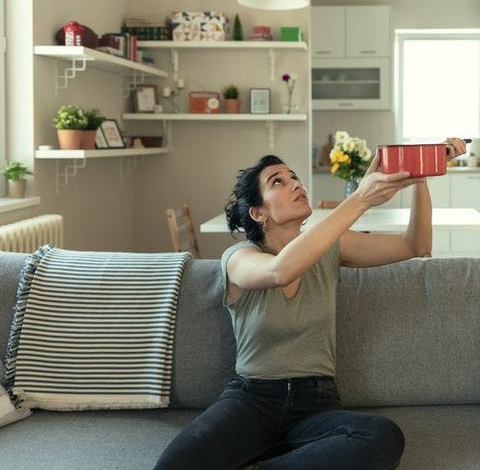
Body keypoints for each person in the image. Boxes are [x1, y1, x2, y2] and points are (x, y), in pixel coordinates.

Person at [154, 138, 466, 470]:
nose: (295, 185)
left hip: (315, 404)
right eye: (278, 181)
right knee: (175, 464)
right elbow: (280, 270)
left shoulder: (333, 247)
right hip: (251, 400)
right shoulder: (240, 258)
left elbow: (415, 244)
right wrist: (360, 199)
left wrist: (420, 177)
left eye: (294, 178)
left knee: (381, 436)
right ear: (258, 212)